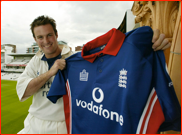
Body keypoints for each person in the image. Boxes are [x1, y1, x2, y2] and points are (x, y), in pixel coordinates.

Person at [16, 15, 171, 134]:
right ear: (35, 40)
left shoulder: (74, 59)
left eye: (49, 35)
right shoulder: (34, 61)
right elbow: (23, 91)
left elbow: (111, 60)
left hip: (62, 126)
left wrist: (146, 41)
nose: (46, 40)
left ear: (56, 35)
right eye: (40, 37)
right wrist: (50, 72)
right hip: (33, 123)